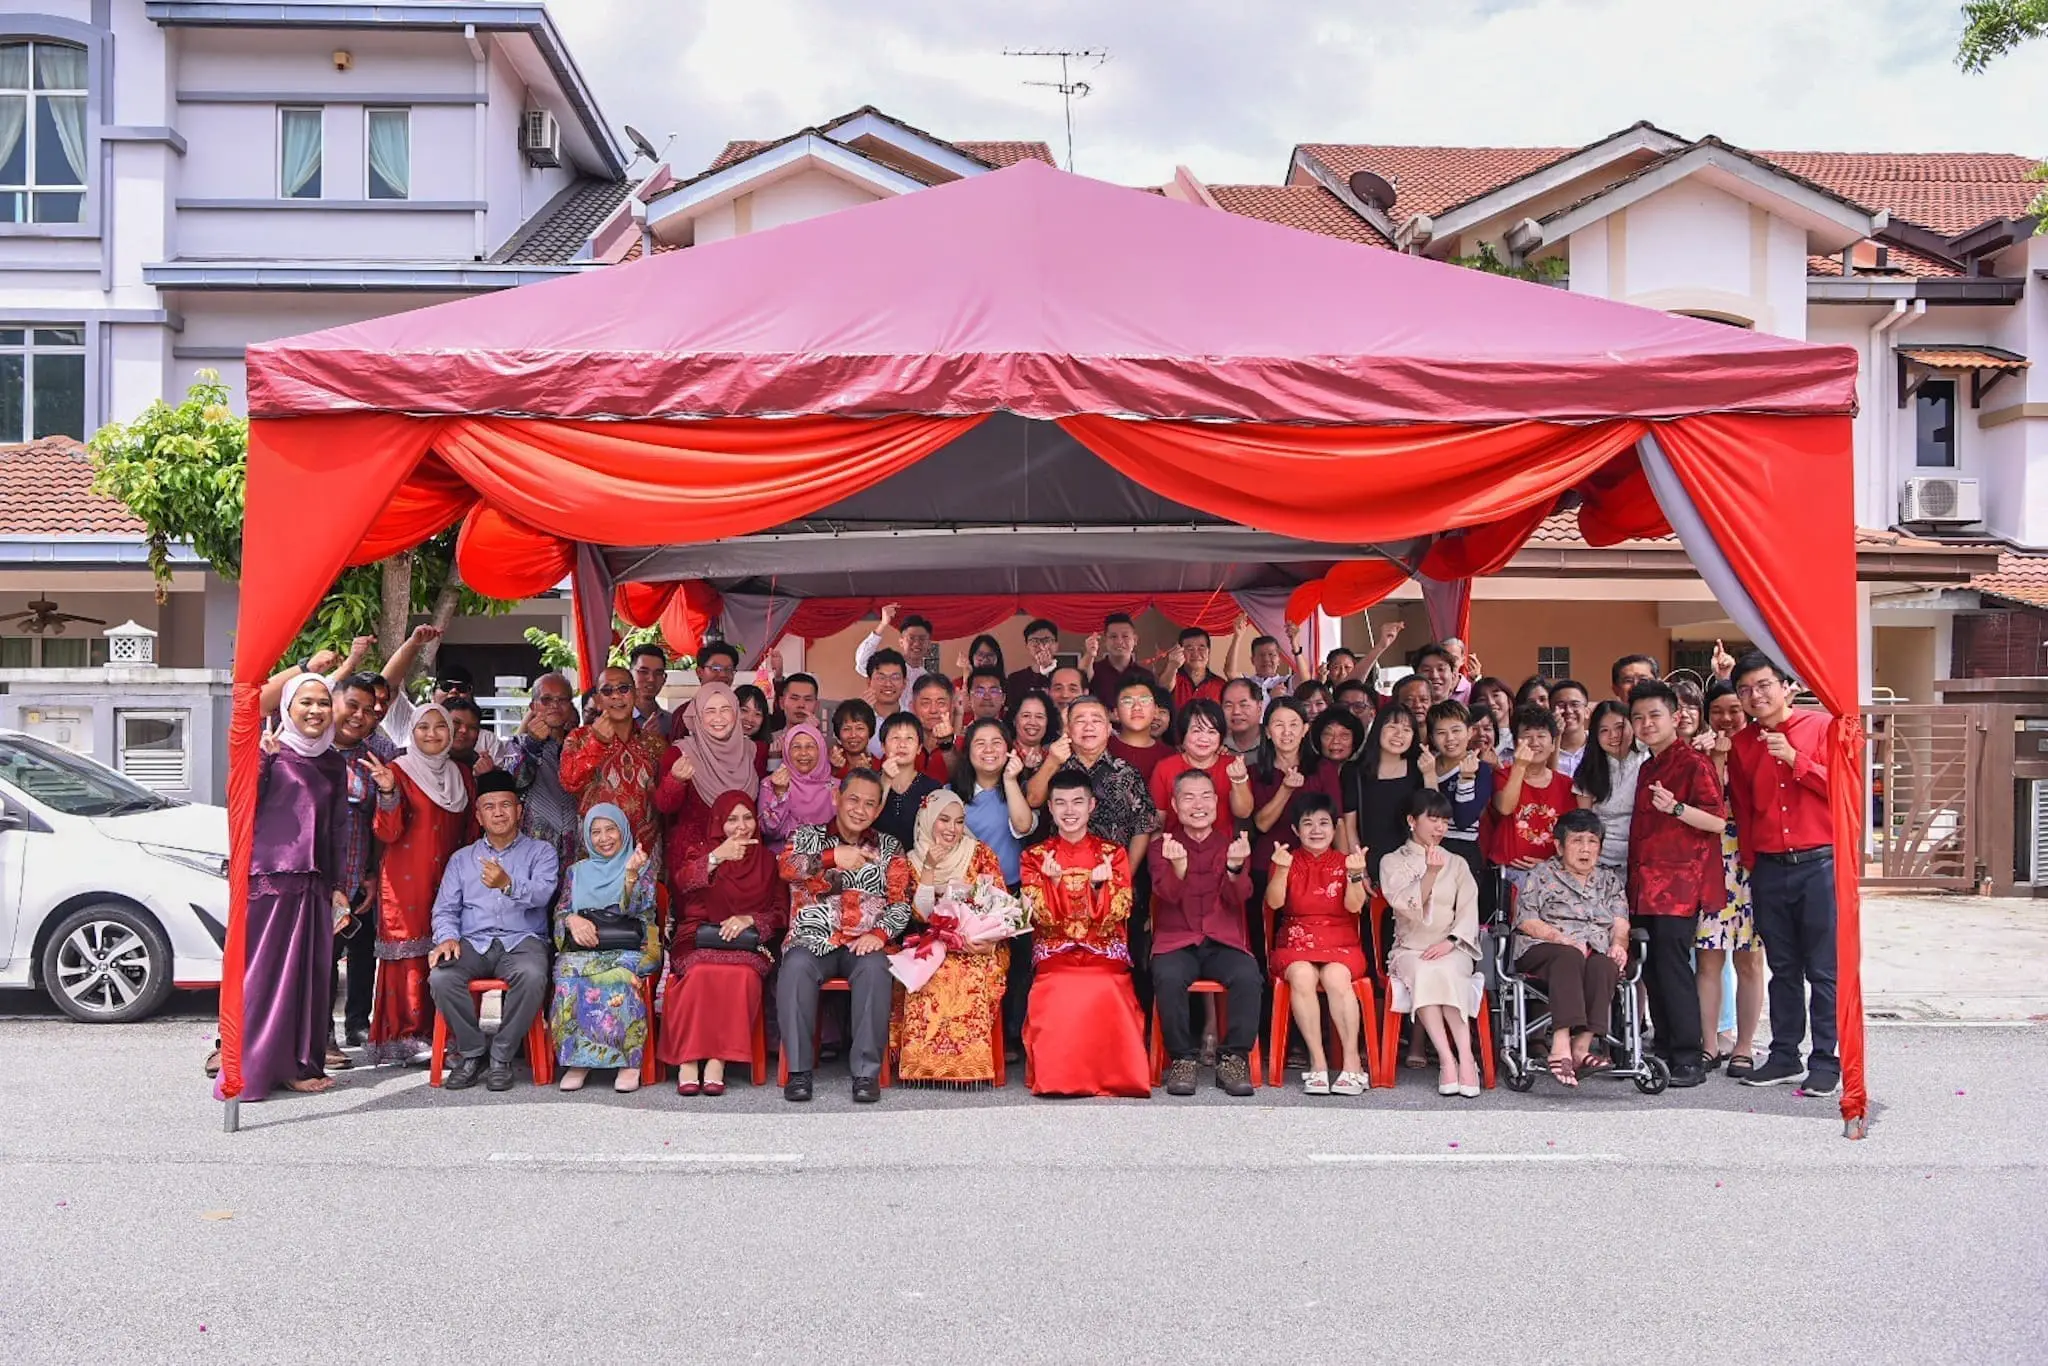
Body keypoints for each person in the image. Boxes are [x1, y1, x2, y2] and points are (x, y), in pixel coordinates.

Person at [1725, 652, 1838, 1095]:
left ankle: (1826, 1060)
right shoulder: (1742, 744)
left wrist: (1795, 759)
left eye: (1762, 685)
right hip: (1770, 868)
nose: (1755, 696)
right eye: (1745, 690)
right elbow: (1746, 811)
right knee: (1783, 968)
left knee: (1823, 970)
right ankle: (1785, 1054)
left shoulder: (1822, 727)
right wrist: (1754, 864)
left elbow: (1843, 790)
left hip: (1820, 863)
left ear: (1785, 684)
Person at [232, 675, 348, 1099]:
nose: (316, 710)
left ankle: (299, 1064)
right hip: (272, 879)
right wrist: (260, 762)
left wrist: (337, 885)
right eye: (306, 702)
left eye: (323, 702)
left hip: (315, 884)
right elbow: (242, 808)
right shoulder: (270, 753)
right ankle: (255, 1065)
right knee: (266, 977)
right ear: (287, 708)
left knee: (310, 980)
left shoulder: (334, 761)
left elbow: (337, 827)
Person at [776, 771, 914, 1103]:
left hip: (862, 940)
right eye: (854, 799)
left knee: (875, 969)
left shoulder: (889, 846)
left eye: (870, 804)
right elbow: (786, 868)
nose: (860, 809)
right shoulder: (808, 836)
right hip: (812, 939)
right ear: (837, 797)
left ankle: (866, 1074)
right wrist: (832, 857)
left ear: (878, 810)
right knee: (795, 968)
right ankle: (799, 1071)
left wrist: (880, 934)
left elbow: (902, 901)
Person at [426, 772, 561, 1091]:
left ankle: (501, 1055)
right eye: (489, 806)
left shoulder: (541, 852)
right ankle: (473, 1053)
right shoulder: (462, 860)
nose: (498, 812)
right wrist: (446, 937)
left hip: (522, 940)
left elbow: (543, 894)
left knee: (531, 976)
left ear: (519, 811)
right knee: (442, 977)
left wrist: (509, 885)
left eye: (505, 805)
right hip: (473, 942)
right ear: (478, 815)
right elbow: (445, 909)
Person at [1020, 771, 1150, 1097]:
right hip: (1056, 954)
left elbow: (1120, 911)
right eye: (1060, 803)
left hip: (1102, 952)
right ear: (1049, 807)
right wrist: (1049, 885)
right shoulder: (1035, 857)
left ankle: (1115, 1076)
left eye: (1077, 802)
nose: (1069, 810)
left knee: (1104, 986)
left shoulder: (1113, 853)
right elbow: (1038, 919)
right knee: (1061, 987)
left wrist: (1095, 889)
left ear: (1092, 805)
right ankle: (1058, 1078)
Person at [1627, 679, 1724, 1089]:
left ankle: (1688, 1055)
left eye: (1654, 715)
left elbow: (1717, 821)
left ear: (1675, 717)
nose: (1646, 724)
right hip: (1644, 882)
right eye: (1638, 717)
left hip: (1679, 885)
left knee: (1672, 967)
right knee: (1651, 968)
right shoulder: (1648, 765)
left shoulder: (1693, 763)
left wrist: (1677, 808)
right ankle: (1665, 1045)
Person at [368, 702, 476, 1065]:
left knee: (452, 948)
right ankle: (407, 1035)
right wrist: (386, 792)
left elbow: (472, 831)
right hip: (405, 878)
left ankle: (448, 1033)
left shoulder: (463, 774)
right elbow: (388, 831)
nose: (432, 734)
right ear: (411, 733)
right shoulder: (398, 770)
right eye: (423, 727)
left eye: (440, 727)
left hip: (453, 877)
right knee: (411, 954)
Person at [661, 791, 785, 1096]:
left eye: (747, 818)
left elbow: (781, 912)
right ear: (718, 822)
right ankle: (688, 1059)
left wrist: (750, 919)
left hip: (749, 943)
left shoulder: (768, 861)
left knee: (740, 975)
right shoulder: (701, 851)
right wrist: (717, 857)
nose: (741, 827)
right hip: (698, 936)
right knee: (701, 971)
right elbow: (682, 882)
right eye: (731, 819)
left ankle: (717, 1060)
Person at [1148, 771, 1259, 1096]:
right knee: (1168, 976)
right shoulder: (1162, 847)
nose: (1198, 805)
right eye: (1188, 797)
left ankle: (1234, 1058)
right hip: (1177, 940)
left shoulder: (1231, 845)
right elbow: (1165, 895)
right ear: (1174, 804)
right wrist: (1179, 869)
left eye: (1205, 796)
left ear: (1216, 801)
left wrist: (1236, 868)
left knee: (1247, 975)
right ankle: (1182, 1058)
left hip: (1221, 939)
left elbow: (1238, 898)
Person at [896, 789, 1012, 1085]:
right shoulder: (910, 860)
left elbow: (1001, 905)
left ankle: (970, 1066)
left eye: (959, 822)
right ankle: (924, 1069)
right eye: (944, 820)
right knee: (927, 970)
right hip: (932, 941)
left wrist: (987, 939)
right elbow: (920, 916)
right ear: (928, 819)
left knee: (968, 972)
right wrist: (929, 869)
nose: (952, 829)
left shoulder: (979, 853)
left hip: (982, 945)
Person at [1513, 808, 1630, 1087]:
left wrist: (1618, 946)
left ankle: (1582, 1048)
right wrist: (1560, 938)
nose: (1586, 849)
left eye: (1592, 842)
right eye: (1577, 841)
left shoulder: (1609, 880)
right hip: (1545, 946)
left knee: (1605, 963)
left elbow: (1621, 923)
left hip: (1594, 949)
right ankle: (1560, 1044)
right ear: (1559, 845)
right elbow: (1526, 919)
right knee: (1569, 956)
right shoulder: (1541, 874)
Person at [549, 804, 659, 1093]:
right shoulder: (576, 872)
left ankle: (628, 1061)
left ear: (623, 831)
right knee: (567, 971)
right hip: (585, 950)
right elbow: (560, 912)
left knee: (621, 975)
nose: (604, 838)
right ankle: (579, 1059)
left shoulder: (641, 864)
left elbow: (640, 910)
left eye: (610, 829)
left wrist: (631, 875)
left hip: (632, 946)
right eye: (595, 832)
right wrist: (571, 919)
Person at [1381, 790, 1482, 1098]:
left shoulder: (1458, 863)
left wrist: (1451, 941)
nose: (1440, 827)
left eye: (1445, 821)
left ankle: (1465, 1058)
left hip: (1452, 947)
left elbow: (1468, 909)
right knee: (1426, 971)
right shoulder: (1392, 861)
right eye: (1433, 819)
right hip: (1411, 949)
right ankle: (1447, 1059)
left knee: (1447, 971)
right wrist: (1431, 874)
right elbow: (1403, 905)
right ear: (1412, 821)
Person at [1268, 794, 1371, 1094]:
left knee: (1336, 976)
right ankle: (1318, 1062)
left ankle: (1352, 1063)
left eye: (1324, 823)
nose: (1316, 830)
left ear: (1335, 827)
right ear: (1295, 830)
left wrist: (1355, 875)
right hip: (1295, 941)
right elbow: (1274, 903)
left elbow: (1354, 907)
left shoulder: (1345, 862)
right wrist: (1282, 871)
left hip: (1341, 943)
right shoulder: (1286, 860)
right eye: (1308, 823)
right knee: (1301, 974)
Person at [1695, 679, 1765, 1079]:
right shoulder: (1700, 753)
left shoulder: (1761, 746)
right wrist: (1718, 762)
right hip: (1710, 865)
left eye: (1734, 709)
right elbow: (1709, 806)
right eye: (1718, 711)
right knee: (1707, 957)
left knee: (1750, 961)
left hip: (1751, 865)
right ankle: (1708, 1043)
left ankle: (1743, 1045)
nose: (1726, 718)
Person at [326, 673, 387, 1056]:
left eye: (368, 710)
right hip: (315, 879)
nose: (360, 716)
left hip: (355, 877)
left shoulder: (371, 758)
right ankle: (321, 1035)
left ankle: (356, 1025)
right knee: (321, 959)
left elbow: (378, 821)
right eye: (352, 706)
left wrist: (371, 873)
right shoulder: (305, 750)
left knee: (361, 951)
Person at [653, 679, 761, 879]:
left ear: (736, 713)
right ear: (698, 717)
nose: (718, 718)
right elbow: (664, 807)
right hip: (696, 862)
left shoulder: (753, 752)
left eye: (725, 709)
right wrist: (675, 780)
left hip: (743, 858)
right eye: (710, 711)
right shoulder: (680, 753)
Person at [1030, 697, 1156, 867]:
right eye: (1080, 720)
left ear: (1109, 728)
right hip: (1060, 874)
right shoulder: (1054, 764)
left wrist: (1125, 874)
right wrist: (1052, 762)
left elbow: (1142, 826)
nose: (1088, 727)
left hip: (1113, 874)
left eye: (1096, 720)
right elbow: (1032, 800)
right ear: (1068, 728)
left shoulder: (1127, 772)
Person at [560, 665, 666, 864]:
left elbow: (667, 801)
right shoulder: (579, 738)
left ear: (634, 693)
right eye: (608, 691)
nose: (616, 696)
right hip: (599, 856)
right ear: (599, 699)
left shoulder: (656, 744)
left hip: (646, 855)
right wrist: (597, 743)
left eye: (623, 689)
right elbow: (570, 782)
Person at [1347, 704, 1435, 892]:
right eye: (1392, 727)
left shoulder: (1418, 769)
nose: (1399, 734)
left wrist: (1429, 775)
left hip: (1413, 866)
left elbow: (1435, 815)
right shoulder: (1354, 772)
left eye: (1406, 729)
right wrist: (1359, 870)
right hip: (1370, 865)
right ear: (1378, 729)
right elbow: (1349, 827)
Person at [500, 672, 580, 866]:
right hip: (532, 850)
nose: (554, 705)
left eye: (562, 700)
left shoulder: (582, 745)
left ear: (570, 707)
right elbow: (513, 783)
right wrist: (533, 744)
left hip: (577, 848)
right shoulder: (517, 744)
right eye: (546, 700)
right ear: (533, 707)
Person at [1486, 704, 1567, 889]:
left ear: (1553, 743)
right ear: (1515, 743)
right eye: (1527, 736)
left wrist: (1551, 866)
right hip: (1507, 875)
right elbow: (1505, 807)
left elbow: (1571, 836)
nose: (1534, 742)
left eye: (1541, 736)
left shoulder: (1566, 785)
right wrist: (1520, 767)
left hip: (1552, 876)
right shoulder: (1503, 775)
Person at [1148, 698, 1253, 833]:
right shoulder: (1165, 768)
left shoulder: (1232, 766)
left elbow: (1243, 813)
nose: (1204, 738)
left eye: (1211, 732)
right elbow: (1157, 823)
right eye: (1197, 731)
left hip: (1222, 849)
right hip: (1174, 849)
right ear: (1183, 733)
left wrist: (1239, 780)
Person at [1427, 700, 1495, 888]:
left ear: (1470, 732)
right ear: (1432, 738)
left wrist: (1465, 779)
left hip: (1463, 852)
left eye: (1456, 730)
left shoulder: (1480, 769)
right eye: (1441, 733)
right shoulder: (1426, 765)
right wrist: (1428, 775)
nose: (1450, 739)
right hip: (1428, 851)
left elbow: (1465, 819)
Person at [1572, 700, 1645, 873]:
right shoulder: (1588, 771)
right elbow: (1585, 823)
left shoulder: (1649, 761)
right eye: (1604, 730)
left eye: (1619, 727)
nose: (1613, 735)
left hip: (1642, 859)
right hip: (1601, 862)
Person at [758, 721, 837, 850]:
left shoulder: (835, 787)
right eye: (796, 747)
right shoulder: (770, 784)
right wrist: (780, 793)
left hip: (826, 860)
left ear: (821, 750)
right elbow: (769, 832)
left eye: (810, 746)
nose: (803, 753)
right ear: (787, 751)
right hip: (783, 861)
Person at [875, 712, 944, 849]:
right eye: (895, 738)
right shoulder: (870, 783)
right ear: (883, 746)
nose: (902, 744)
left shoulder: (933, 788)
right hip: (875, 863)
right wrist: (886, 781)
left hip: (918, 864)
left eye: (909, 738)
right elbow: (866, 818)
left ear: (919, 748)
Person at [1107, 675, 1168, 784]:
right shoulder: (1102, 751)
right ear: (1116, 713)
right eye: (1127, 702)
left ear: (1155, 710)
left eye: (1144, 700)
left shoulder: (1169, 757)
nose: (1137, 707)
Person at [1086, 612, 1156, 707]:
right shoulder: (1093, 670)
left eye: (1125, 636)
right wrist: (1089, 655)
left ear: (1135, 640)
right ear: (1105, 641)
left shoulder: (1146, 676)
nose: (1119, 642)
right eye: (1113, 636)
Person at [856, 603, 932, 686]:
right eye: (911, 638)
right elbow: (862, 663)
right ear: (901, 642)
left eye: (922, 639)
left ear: (928, 644)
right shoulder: (888, 669)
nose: (917, 643)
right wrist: (883, 624)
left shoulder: (928, 680)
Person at [908, 674, 959, 780]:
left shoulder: (965, 744)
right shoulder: (902, 745)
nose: (933, 710)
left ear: (952, 707)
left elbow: (962, 782)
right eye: (925, 703)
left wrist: (946, 745)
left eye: (941, 703)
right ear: (912, 707)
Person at [1005, 618, 1061, 711]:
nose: (1041, 646)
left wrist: (1047, 669)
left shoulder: (1067, 675)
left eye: (1046, 640)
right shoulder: (1014, 679)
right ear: (1027, 646)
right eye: (1035, 641)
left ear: (1056, 645)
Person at [1168, 627, 1226, 710]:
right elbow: (1163, 687)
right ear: (1181, 651)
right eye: (1190, 648)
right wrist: (1172, 666)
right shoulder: (1172, 678)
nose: (1195, 654)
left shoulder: (1220, 685)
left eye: (1201, 648)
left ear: (1208, 651)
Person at [628, 642, 674, 741]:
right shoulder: (616, 720)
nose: (651, 679)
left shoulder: (672, 722)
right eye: (643, 672)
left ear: (664, 679)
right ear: (629, 675)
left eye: (658, 673)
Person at [1549, 679, 1592, 777]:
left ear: (1586, 712)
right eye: (1561, 705)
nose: (1568, 710)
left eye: (1574, 704)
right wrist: (1557, 735)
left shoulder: (1599, 744)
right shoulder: (1543, 750)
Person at [1010, 688, 1059, 774]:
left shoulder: (1054, 755)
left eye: (1039, 717)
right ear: (1014, 720)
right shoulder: (1003, 753)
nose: (1032, 722)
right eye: (1026, 716)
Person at [1247, 633, 1302, 701]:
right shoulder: (1247, 683)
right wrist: (1237, 638)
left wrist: (1296, 648)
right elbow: (1231, 672)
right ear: (1253, 660)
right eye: (1261, 655)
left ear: (1279, 660)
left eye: (1271, 654)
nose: (1266, 659)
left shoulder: (1285, 682)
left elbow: (1304, 678)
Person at [1219, 677, 1265, 759]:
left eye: (1243, 705)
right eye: (1228, 706)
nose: (1236, 711)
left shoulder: (1274, 742)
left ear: (1259, 708)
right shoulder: (1216, 745)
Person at [830, 699, 877, 777]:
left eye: (860, 728)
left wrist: (868, 775)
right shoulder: (827, 763)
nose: (853, 735)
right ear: (838, 733)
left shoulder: (879, 766)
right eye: (846, 729)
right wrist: (833, 771)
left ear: (870, 731)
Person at [864, 647, 911, 722]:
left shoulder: (913, 719)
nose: (888, 684)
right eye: (881, 678)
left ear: (904, 683)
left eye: (895, 678)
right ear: (869, 682)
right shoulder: (858, 720)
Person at [443, 697, 490, 772]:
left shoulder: (484, 770)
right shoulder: (420, 765)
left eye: (472, 727)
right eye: (456, 723)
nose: (464, 730)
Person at [1469, 676, 1515, 741]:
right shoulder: (1472, 741)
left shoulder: (1521, 737)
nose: (1491, 703)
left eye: (1496, 695)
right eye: (1482, 699)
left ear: (1509, 700)